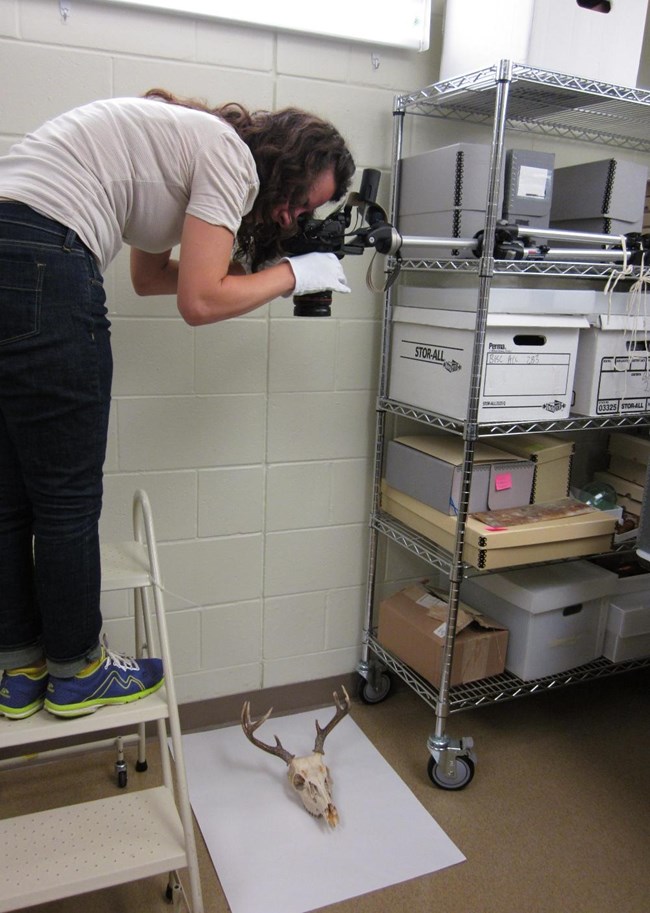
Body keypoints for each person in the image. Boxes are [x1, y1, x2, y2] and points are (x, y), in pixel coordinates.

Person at [0, 89, 355, 719]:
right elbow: (200, 303)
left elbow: (152, 278)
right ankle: (78, 670)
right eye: (303, 199)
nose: (295, 217)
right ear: (286, 159)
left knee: (7, 496)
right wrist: (297, 276)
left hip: (9, 243)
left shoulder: (179, 145)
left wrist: (266, 275)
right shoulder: (229, 156)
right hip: (46, 262)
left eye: (309, 212)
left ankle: (17, 671)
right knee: (64, 499)